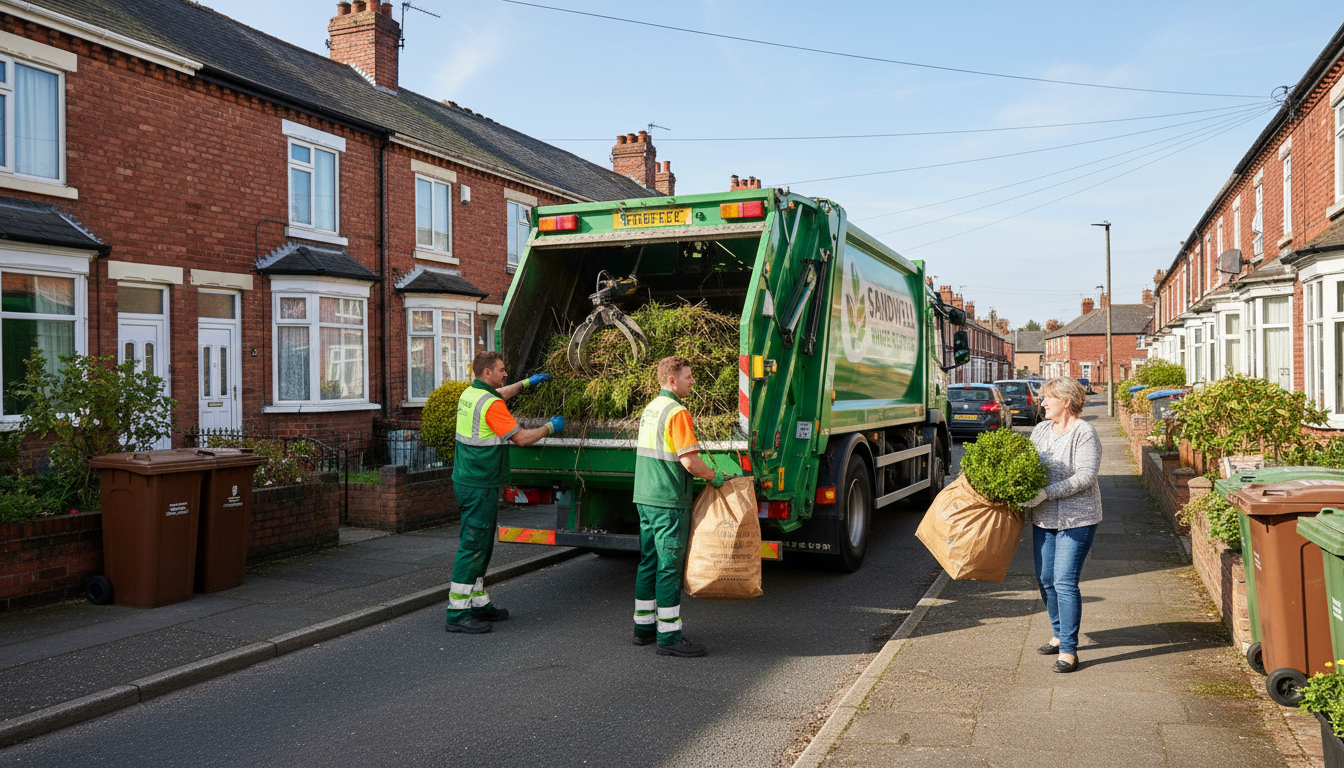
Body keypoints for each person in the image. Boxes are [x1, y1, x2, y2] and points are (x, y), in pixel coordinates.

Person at [445, 351, 564, 634]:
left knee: (482, 545)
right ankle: (457, 612)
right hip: (479, 484)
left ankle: (477, 603)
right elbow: (521, 438)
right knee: (473, 546)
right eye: (501, 369)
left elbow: (499, 395)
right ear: (488, 373)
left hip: (468, 480)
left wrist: (527, 383)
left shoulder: (471, 394)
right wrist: (549, 427)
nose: (505, 374)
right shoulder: (490, 404)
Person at [632, 356, 728, 657]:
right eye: (688, 377)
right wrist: (715, 477)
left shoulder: (651, 408)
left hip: (645, 498)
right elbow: (689, 461)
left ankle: (644, 629)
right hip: (668, 500)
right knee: (669, 567)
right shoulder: (677, 412)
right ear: (672, 381)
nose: (693, 381)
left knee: (648, 561)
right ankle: (669, 637)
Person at [1021, 376, 1102, 673]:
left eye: (1047, 398)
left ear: (1066, 401)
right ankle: (1058, 633)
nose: (1042, 402)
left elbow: (1085, 477)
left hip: (1077, 518)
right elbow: (1028, 464)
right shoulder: (1041, 429)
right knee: (1045, 578)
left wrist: (1045, 493)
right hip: (1043, 518)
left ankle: (1069, 649)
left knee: (1065, 581)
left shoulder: (1085, 433)